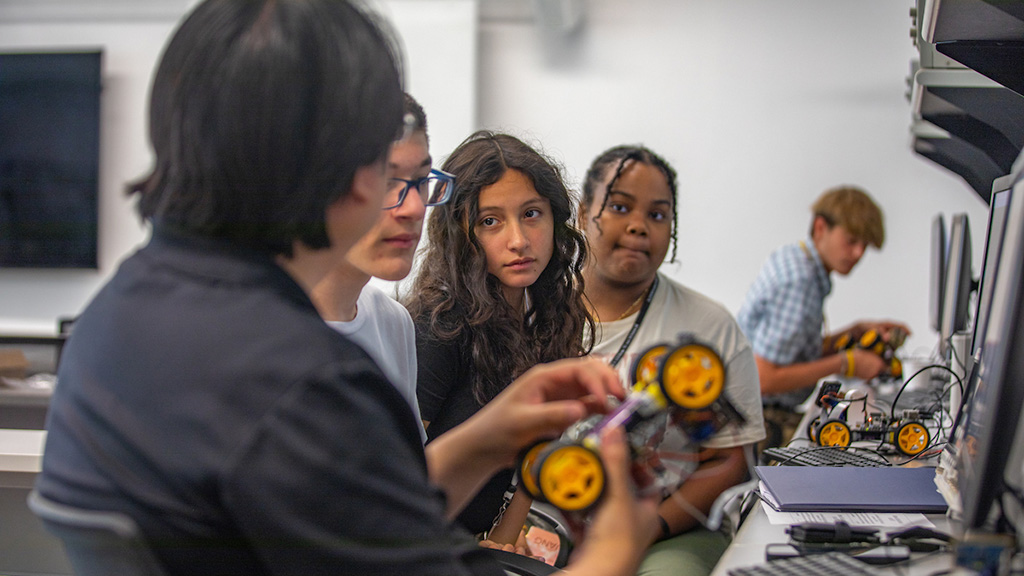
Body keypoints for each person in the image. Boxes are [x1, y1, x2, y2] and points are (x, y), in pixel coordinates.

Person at [34, 2, 656, 575]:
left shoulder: (116, 314)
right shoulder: (306, 385)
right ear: (331, 162)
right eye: (383, 164)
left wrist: (489, 439)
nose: (406, 203)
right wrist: (622, 537)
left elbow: (354, 517)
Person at [578, 145, 766, 576]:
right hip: (554, 521)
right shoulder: (537, 314)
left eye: (658, 215)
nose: (639, 226)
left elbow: (730, 462)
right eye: (620, 206)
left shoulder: (708, 327)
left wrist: (648, 527)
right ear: (584, 211)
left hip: (670, 532)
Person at [405, 130, 594, 541]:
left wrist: (503, 545)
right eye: (491, 221)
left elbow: (534, 459)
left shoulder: (555, 314)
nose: (519, 241)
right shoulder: (439, 322)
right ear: (460, 232)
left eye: (531, 214)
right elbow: (401, 482)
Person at [310, 92, 446, 443]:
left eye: (420, 181)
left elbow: (409, 484)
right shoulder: (258, 332)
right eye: (386, 182)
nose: (414, 208)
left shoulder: (393, 322)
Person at [736, 185, 910, 448]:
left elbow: (793, 353)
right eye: (852, 241)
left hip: (757, 414)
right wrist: (846, 363)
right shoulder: (800, 281)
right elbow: (763, 378)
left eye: (865, 245)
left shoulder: (797, 259)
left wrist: (853, 332)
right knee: (856, 450)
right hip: (756, 424)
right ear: (820, 228)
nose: (859, 254)